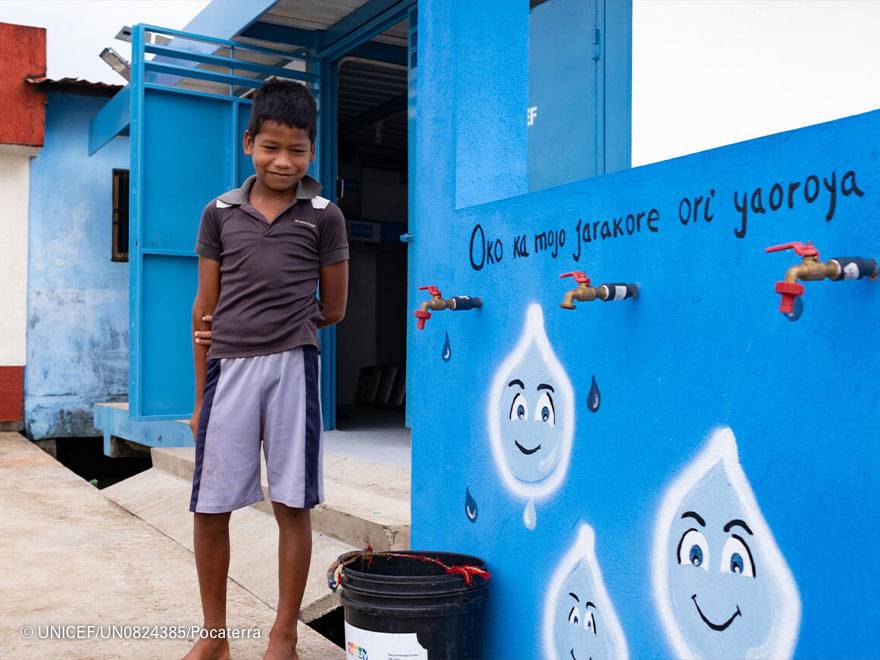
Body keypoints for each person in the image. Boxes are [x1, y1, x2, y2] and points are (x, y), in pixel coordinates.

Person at [183, 79, 349, 660]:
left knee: (292, 503)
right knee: (210, 506)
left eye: (297, 149)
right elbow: (204, 311)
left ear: (311, 152)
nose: (283, 160)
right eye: (271, 146)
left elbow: (334, 307)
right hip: (227, 371)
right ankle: (214, 636)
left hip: (292, 371)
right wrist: (201, 399)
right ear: (248, 142)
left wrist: (285, 326)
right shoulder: (219, 213)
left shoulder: (325, 215)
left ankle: (283, 634)